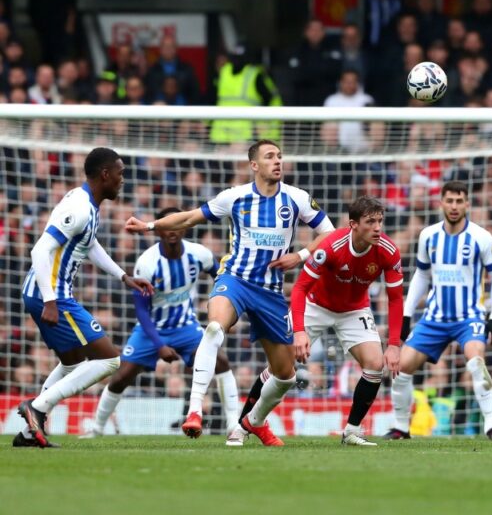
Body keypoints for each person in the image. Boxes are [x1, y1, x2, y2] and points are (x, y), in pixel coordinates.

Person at [125, 140, 334, 446]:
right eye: (269, 157)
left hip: (270, 291)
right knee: (213, 329)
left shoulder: (297, 199)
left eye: (279, 156)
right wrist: (148, 225)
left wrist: (300, 256)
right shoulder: (235, 197)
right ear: (254, 165)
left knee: (286, 375)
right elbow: (187, 218)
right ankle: (195, 410)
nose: (277, 161)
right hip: (235, 279)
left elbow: (329, 232)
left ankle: (253, 422)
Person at [237, 197, 404, 446]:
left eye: (380, 221)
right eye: (371, 222)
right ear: (353, 225)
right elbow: (300, 289)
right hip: (315, 305)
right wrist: (300, 331)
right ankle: (243, 426)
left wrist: (393, 343)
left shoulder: (388, 252)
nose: (378, 227)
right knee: (280, 367)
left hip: (354, 310)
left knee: (375, 364)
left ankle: (352, 431)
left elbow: (395, 299)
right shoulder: (331, 245)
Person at [16, 147, 154, 447]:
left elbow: (89, 246)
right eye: (120, 174)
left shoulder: (88, 205)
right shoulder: (78, 207)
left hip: (44, 293)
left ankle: (29, 432)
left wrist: (124, 276)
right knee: (110, 359)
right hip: (50, 295)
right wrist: (51, 300)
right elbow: (39, 250)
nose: (122, 180)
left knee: (73, 362)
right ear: (105, 174)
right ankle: (36, 408)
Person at [80, 207, 238, 439]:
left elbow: (222, 278)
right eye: (166, 225)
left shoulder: (200, 254)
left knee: (221, 361)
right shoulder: (147, 263)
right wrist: (159, 345)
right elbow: (142, 312)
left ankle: (232, 424)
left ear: (184, 227)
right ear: (158, 230)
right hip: (151, 329)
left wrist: (224, 304)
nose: (172, 230)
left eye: (177, 225)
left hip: (186, 327)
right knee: (122, 376)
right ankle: (97, 428)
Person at [385, 181, 492, 441]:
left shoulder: (482, 237)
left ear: (467, 204)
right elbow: (421, 275)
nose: (454, 206)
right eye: (449, 201)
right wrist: (406, 314)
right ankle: (401, 427)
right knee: (401, 367)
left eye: (459, 201)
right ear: (441, 203)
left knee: (476, 361)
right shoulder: (428, 236)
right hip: (434, 318)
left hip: (469, 317)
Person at [209, 46, 283, 144]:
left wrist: (266, 127)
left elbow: (272, 101)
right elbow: (212, 99)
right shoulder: (225, 72)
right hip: (224, 134)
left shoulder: (254, 74)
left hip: (242, 136)